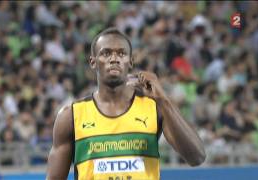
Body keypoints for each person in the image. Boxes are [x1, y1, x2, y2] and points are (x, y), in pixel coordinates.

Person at [46, 27, 206, 180]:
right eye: (106, 53)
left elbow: (196, 157)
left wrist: (163, 98)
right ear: (93, 62)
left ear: (130, 62)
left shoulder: (154, 108)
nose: (114, 59)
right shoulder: (71, 115)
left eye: (121, 54)